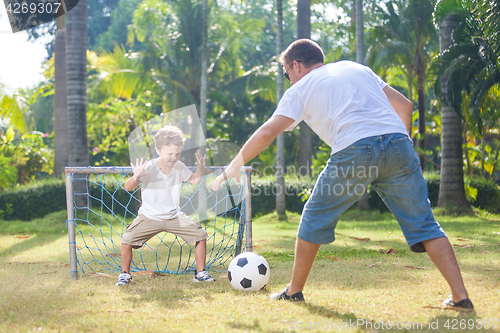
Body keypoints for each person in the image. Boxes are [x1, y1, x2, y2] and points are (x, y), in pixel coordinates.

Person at [213, 39, 473, 309]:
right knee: (426, 224)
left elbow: (268, 132)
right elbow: (405, 106)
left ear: (296, 65)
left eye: (286, 72)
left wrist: (233, 166)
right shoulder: (356, 68)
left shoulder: (301, 87)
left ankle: (294, 291)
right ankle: (460, 296)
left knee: (314, 216)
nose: (288, 79)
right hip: (399, 144)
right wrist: (400, 145)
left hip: (355, 149)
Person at [116, 125, 215, 286]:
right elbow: (128, 187)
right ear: (158, 150)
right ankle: (125, 275)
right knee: (127, 240)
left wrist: (200, 170)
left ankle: (200, 273)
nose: (174, 157)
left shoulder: (179, 166)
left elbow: (195, 181)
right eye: (170, 154)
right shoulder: (149, 167)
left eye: (177, 153)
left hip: (173, 216)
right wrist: (136, 176)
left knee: (201, 235)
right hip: (149, 217)